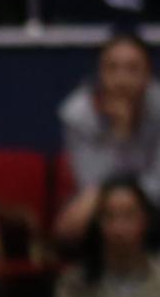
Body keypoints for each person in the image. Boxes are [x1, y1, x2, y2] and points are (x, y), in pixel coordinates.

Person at [54, 31, 160, 247]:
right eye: (112, 68)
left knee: (123, 215)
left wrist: (130, 203)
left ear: (148, 75)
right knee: (73, 223)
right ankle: (94, 279)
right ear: (99, 74)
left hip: (152, 202)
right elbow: (91, 182)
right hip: (102, 202)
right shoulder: (78, 114)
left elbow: (158, 182)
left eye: (132, 69)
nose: (121, 79)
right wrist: (119, 135)